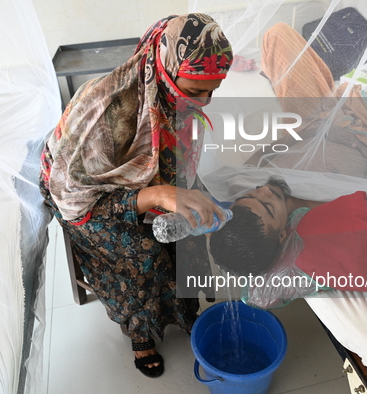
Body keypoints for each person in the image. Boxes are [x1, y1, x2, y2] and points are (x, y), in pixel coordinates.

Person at [39, 14, 233, 377]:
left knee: (187, 236)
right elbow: (71, 197)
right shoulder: (105, 110)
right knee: (141, 254)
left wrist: (188, 197)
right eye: (194, 91)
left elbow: (178, 166)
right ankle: (141, 335)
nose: (204, 102)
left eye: (213, 90)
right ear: (164, 66)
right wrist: (155, 194)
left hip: (137, 186)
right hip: (85, 200)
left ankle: (183, 312)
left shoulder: (172, 101)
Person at [247, 17, 367, 180]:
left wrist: (323, 129)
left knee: (277, 34)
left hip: (315, 121)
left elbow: (261, 156)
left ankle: (289, 87)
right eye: (267, 205)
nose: (264, 195)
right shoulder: (306, 211)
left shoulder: (245, 186)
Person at [208, 175, 367, 277]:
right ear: (282, 234)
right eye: (269, 207)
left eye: (249, 196)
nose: (264, 189)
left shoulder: (238, 180)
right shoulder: (325, 211)